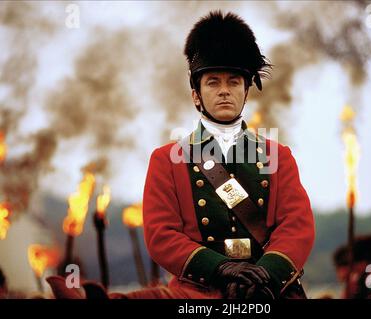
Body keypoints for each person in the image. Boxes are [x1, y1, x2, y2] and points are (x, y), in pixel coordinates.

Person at [47, 10, 315, 299]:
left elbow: (297, 227)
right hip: (195, 292)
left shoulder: (279, 156)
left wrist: (266, 277)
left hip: (267, 291)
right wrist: (220, 268)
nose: (224, 91)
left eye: (234, 82)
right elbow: (161, 235)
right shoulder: (166, 160)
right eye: (213, 82)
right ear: (196, 94)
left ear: (247, 91)